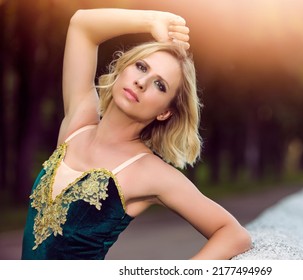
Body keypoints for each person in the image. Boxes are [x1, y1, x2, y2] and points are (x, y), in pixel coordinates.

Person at [21, 8, 252, 260]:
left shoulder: (149, 171)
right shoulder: (78, 124)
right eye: (141, 67)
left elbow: (232, 234)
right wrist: (153, 20)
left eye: (159, 84)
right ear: (123, 68)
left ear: (165, 112)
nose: (142, 82)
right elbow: (81, 26)